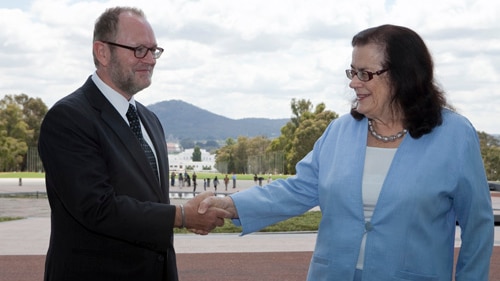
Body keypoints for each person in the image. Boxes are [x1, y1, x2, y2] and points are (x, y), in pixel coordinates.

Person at [199, 24, 494, 280]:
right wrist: (232, 204)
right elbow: (298, 188)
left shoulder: (454, 135)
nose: (353, 83)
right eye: (352, 72)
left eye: (365, 74)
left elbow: (477, 226)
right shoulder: (339, 132)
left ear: (403, 75)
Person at [38, 7, 227, 281]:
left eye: (154, 50)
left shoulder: (150, 120)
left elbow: (144, 199)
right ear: (102, 52)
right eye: (139, 49)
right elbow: (97, 208)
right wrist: (182, 216)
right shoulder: (69, 118)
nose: (150, 59)